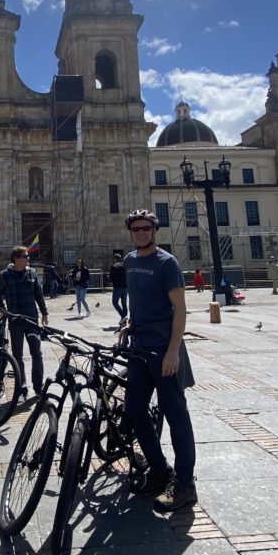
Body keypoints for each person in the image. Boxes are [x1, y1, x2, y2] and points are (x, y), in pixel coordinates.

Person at [122, 209, 197, 512]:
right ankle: (159, 469)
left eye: (145, 228)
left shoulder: (167, 263)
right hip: (139, 348)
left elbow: (180, 309)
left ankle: (185, 485)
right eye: (136, 229)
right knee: (134, 409)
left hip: (164, 349)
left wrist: (173, 351)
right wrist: (129, 322)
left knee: (176, 416)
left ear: (154, 230)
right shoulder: (130, 261)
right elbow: (138, 299)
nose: (140, 233)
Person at [0, 246, 49, 398]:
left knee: (36, 352)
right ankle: (21, 387)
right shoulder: (5, 275)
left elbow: (39, 294)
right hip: (15, 321)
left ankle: (38, 386)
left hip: (32, 320)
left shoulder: (32, 273)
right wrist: (3, 309)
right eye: (25, 256)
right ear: (16, 259)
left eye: (27, 256)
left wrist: (44, 313)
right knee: (17, 355)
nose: (28, 258)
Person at [110, 253, 127, 318]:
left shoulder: (113, 266)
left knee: (115, 302)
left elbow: (111, 278)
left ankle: (123, 316)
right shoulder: (125, 265)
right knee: (124, 304)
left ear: (115, 259)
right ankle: (125, 317)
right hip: (125, 287)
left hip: (117, 287)